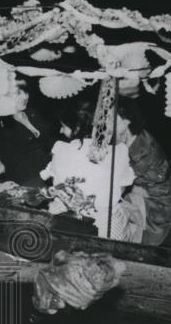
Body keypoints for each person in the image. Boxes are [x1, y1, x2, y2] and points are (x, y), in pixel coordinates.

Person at [41, 98, 140, 240]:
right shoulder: (118, 150)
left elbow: (58, 187)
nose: (60, 130)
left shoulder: (61, 150)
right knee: (130, 218)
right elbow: (121, 189)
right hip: (107, 227)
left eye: (63, 126)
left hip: (68, 221)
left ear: (77, 127)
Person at [117, 97, 171, 246]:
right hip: (145, 196)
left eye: (111, 118)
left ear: (126, 121)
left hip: (159, 207)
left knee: (113, 213)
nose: (106, 123)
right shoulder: (132, 138)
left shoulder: (143, 148)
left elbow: (121, 183)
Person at [0, 79, 56, 188]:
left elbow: (50, 140)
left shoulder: (33, 113)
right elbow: (4, 161)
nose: (25, 96)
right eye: (18, 93)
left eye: (26, 92)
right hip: (27, 180)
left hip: (52, 170)